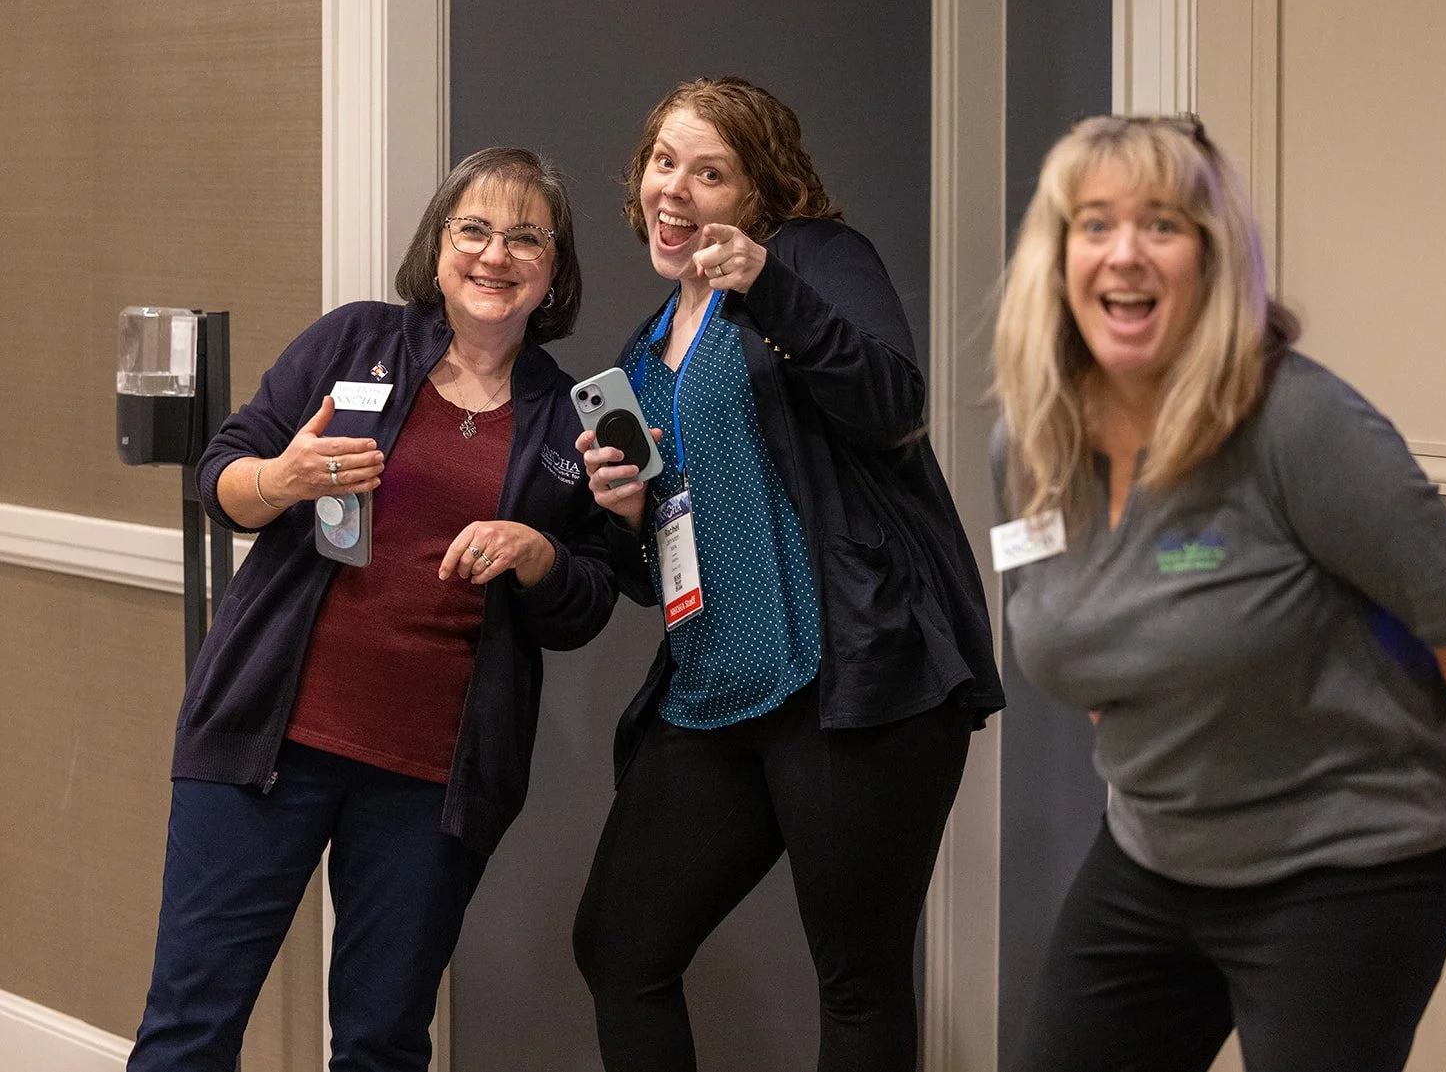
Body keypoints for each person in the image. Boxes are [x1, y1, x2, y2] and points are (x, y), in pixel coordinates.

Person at [989, 113, 1446, 1072]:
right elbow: (1080, 634)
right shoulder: (1031, 444)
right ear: (1058, 254)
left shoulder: (1298, 424)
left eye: (1163, 224)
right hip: (1157, 848)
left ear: (1212, 261)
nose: (1127, 252)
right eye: (1096, 224)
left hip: (1350, 857)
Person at [127, 147, 617, 1071]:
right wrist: (283, 477)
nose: (495, 254)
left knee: (382, 1043)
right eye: (473, 228)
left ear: (555, 269)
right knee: (190, 1026)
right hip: (264, 743)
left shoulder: (566, 415)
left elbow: (585, 602)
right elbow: (220, 479)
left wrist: (541, 553)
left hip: (431, 781)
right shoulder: (355, 342)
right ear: (437, 244)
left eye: (526, 237)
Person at [570, 76, 1005, 1072]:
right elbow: (658, 569)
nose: (676, 187)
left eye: (710, 171)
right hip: (713, 692)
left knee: (856, 980)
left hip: (850, 683)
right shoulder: (643, 351)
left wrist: (766, 283)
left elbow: (893, 404)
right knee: (619, 947)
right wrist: (629, 517)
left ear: (757, 193)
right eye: (664, 162)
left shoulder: (811, 260)